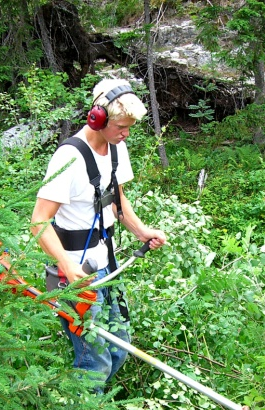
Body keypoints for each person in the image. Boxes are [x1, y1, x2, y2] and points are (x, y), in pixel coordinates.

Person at [30, 78, 167, 391]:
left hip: (108, 262)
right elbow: (38, 222)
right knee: (95, 360)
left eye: (130, 127)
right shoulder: (69, 158)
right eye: (121, 126)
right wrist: (66, 266)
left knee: (121, 345)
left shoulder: (116, 148)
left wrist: (141, 231)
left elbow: (116, 198)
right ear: (98, 118)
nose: (126, 133)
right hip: (77, 273)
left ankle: (94, 408)